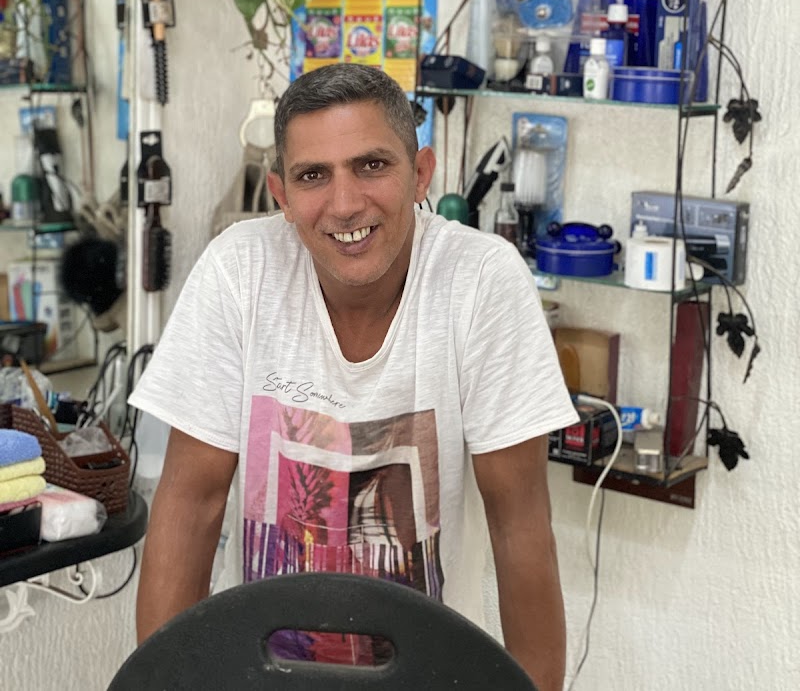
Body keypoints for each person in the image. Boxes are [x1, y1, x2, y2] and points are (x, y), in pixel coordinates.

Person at [129, 63, 578, 690]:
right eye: (313, 175)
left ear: (421, 174)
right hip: (259, 675)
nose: (344, 204)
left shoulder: (481, 281)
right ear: (281, 194)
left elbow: (520, 526)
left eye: (371, 165)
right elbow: (190, 506)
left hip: (432, 677)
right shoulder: (240, 271)